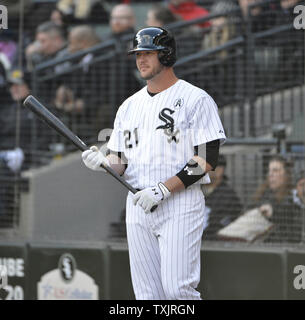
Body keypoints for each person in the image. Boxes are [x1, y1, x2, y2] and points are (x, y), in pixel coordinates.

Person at [81, 27, 226, 300]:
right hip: (137, 204)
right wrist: (102, 162)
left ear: (166, 55)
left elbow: (207, 158)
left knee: (178, 290)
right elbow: (120, 162)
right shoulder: (128, 106)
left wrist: (163, 189)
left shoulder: (196, 98)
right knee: (147, 295)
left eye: (148, 53)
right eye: (138, 54)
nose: (141, 60)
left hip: (179, 203)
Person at [252, 155, 300, 243]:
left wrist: (273, 210)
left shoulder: (293, 197)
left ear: (286, 175)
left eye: (275, 170)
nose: (270, 174)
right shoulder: (262, 195)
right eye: (269, 171)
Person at [201, 155, 242, 240]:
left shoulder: (228, 195)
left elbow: (223, 224)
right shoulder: (197, 190)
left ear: (220, 170)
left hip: (214, 243)